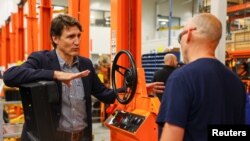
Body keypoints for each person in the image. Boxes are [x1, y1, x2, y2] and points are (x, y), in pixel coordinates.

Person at [3, 14, 164, 141]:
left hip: (80, 137)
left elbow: (104, 94)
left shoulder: (85, 64)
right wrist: (55, 74)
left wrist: (133, 89)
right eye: (71, 36)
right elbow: (10, 76)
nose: (77, 41)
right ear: (55, 38)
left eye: (79, 36)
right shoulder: (42, 60)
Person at [156, 13, 246, 141]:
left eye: (180, 37)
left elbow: (171, 137)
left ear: (189, 34)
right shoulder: (237, 83)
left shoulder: (181, 78)